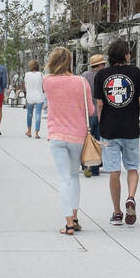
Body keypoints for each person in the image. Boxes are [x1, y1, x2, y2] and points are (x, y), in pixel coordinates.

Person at [91, 39, 140, 227]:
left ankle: (117, 213)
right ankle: (131, 198)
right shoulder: (135, 73)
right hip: (130, 128)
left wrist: (101, 123)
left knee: (114, 172)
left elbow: (99, 103)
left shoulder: (101, 75)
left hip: (109, 130)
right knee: (132, 168)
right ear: (125, 55)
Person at [41, 47, 92, 235]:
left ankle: (68, 223)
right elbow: (91, 110)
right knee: (73, 176)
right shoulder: (81, 81)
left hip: (56, 135)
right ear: (70, 61)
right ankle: (75, 217)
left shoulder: (47, 82)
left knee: (63, 178)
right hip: (77, 136)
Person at [80, 54, 106, 176]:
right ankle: (95, 168)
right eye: (103, 64)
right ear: (100, 65)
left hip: (86, 113)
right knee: (97, 140)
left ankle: (86, 164)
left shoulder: (84, 76)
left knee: (87, 140)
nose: (105, 66)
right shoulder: (104, 76)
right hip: (101, 112)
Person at [24, 60, 45, 138]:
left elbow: (26, 86)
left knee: (29, 114)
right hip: (39, 96)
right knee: (38, 114)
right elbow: (43, 86)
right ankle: (36, 133)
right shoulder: (41, 74)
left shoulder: (27, 75)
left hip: (30, 97)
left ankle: (29, 131)